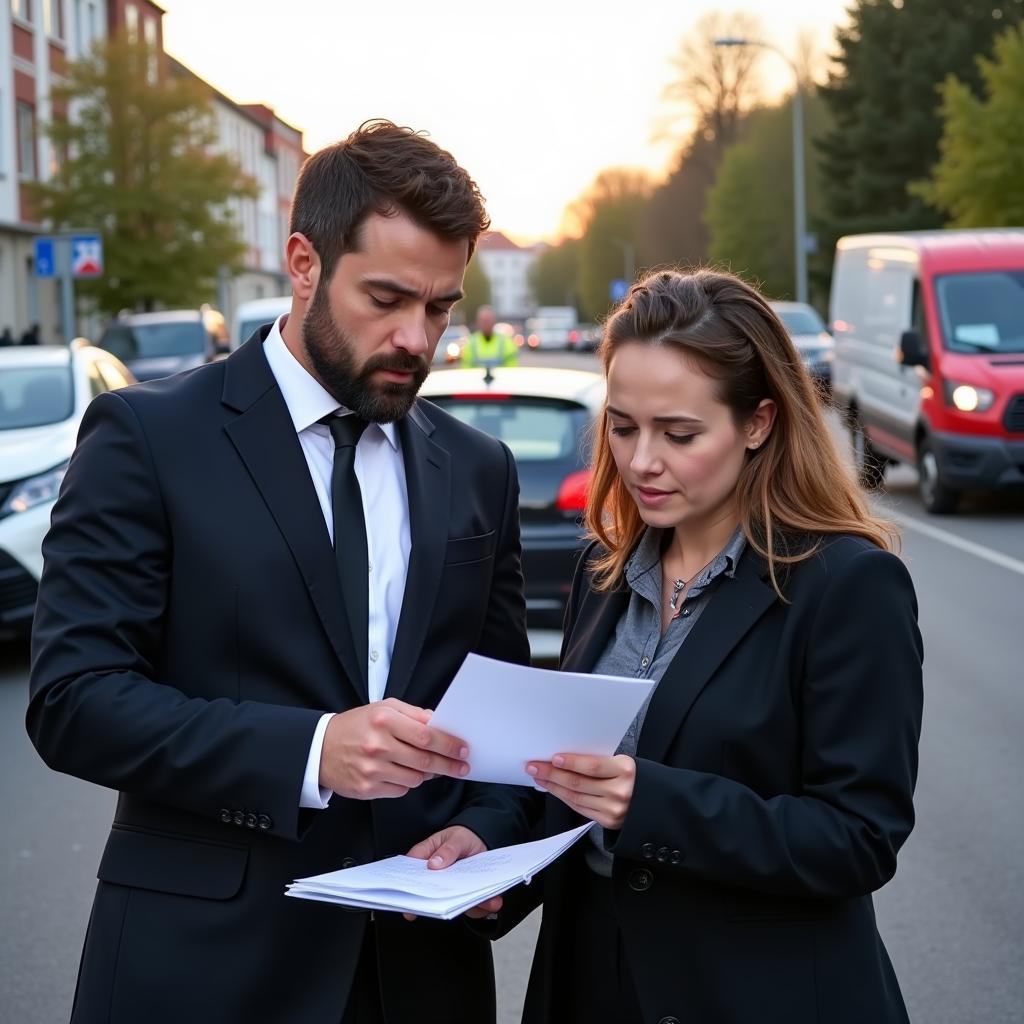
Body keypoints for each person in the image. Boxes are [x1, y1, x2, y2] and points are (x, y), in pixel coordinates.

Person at [27, 120, 531, 1024]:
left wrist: (486, 832)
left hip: (419, 975)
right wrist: (310, 752)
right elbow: (74, 699)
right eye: (387, 298)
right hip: (203, 973)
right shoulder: (147, 439)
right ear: (304, 263)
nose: (418, 339)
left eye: (442, 307)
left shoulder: (478, 468)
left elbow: (495, 715)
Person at [487, 269, 924, 1023]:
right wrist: (484, 859)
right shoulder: (606, 573)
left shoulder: (849, 586)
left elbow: (856, 839)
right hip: (593, 984)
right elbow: (565, 788)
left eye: (679, 434)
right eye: (622, 427)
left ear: (757, 423)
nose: (642, 461)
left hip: (763, 995)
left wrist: (647, 801)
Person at [461, 304, 518, 368]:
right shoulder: (470, 343)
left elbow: (511, 368)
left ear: (494, 321)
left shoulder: (507, 342)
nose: (485, 323)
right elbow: (466, 368)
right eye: (483, 321)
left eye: (488, 320)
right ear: (478, 322)